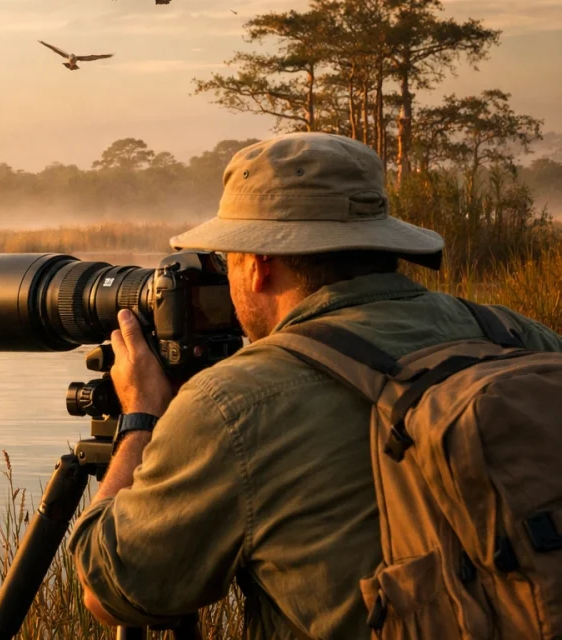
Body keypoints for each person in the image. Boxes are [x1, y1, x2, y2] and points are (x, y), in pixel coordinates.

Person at [67, 132, 562, 639]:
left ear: (259, 266)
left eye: (227, 259)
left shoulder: (234, 403)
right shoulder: (518, 335)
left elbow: (113, 589)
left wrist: (141, 417)